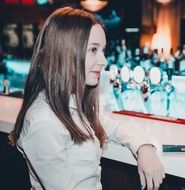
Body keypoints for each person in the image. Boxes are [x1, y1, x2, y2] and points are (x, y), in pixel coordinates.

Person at [9, 6, 165, 190]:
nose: (103, 60)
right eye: (93, 50)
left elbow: (114, 127)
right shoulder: (43, 122)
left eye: (103, 50)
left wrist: (144, 147)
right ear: (65, 52)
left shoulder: (70, 104)